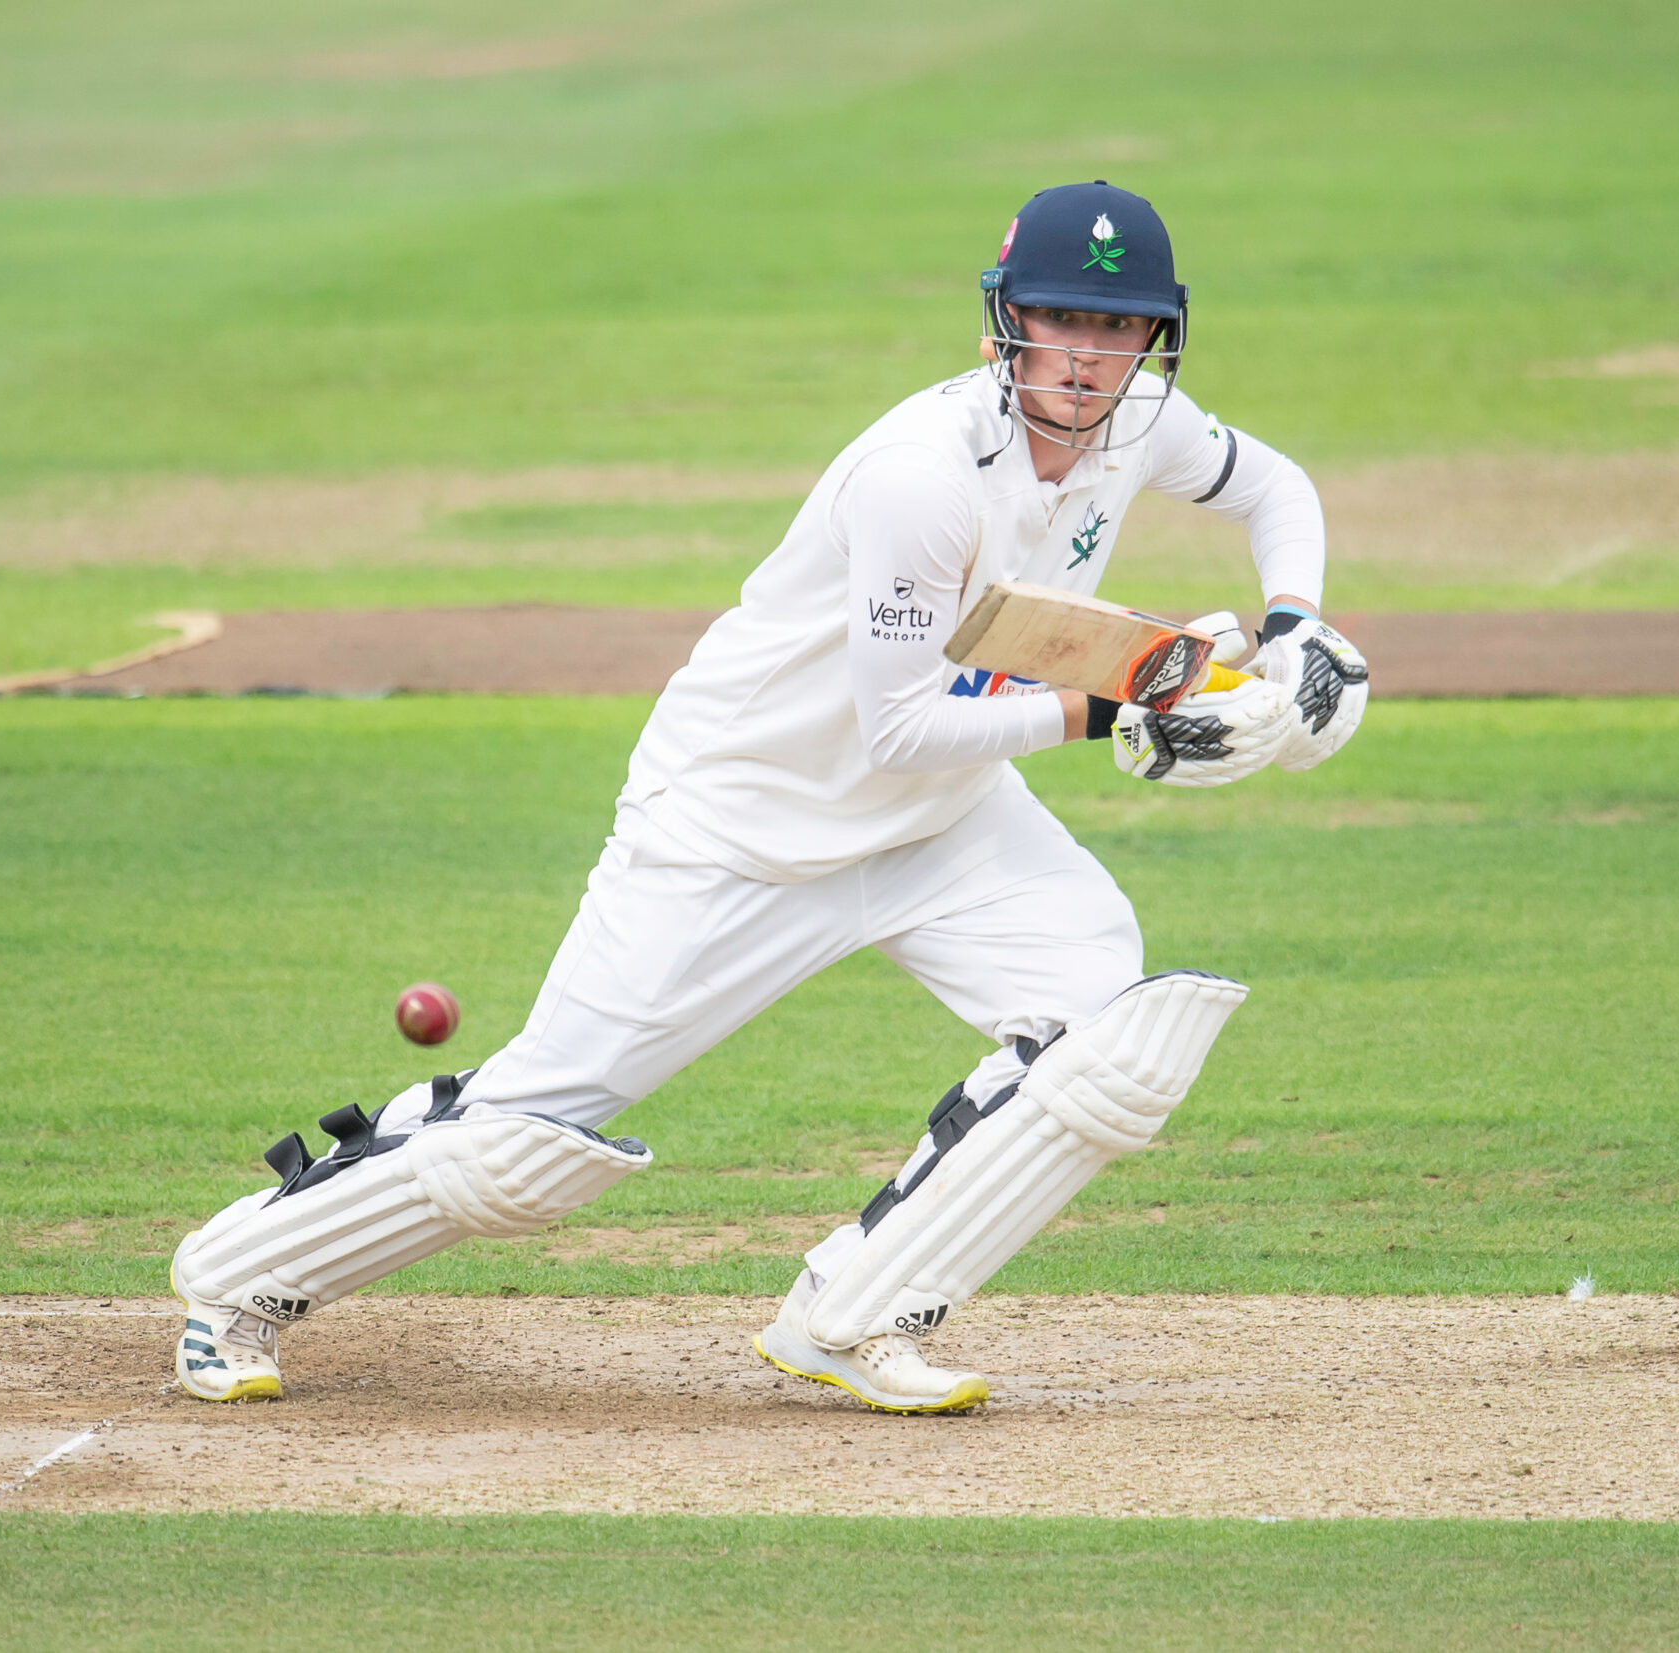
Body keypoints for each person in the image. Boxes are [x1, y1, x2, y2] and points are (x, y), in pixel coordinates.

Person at [168, 181, 1371, 1413]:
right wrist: (1126, 706)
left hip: (942, 824)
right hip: (739, 824)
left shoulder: (1142, 425)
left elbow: (1274, 488)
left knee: (1109, 1043)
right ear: (1002, 324)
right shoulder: (922, 475)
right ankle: (235, 1279)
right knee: (528, 1146)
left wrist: (1296, 626)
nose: (1089, 354)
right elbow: (896, 725)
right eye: (1061, 319)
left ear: (1152, 341)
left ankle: (853, 1318)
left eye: (1117, 329)